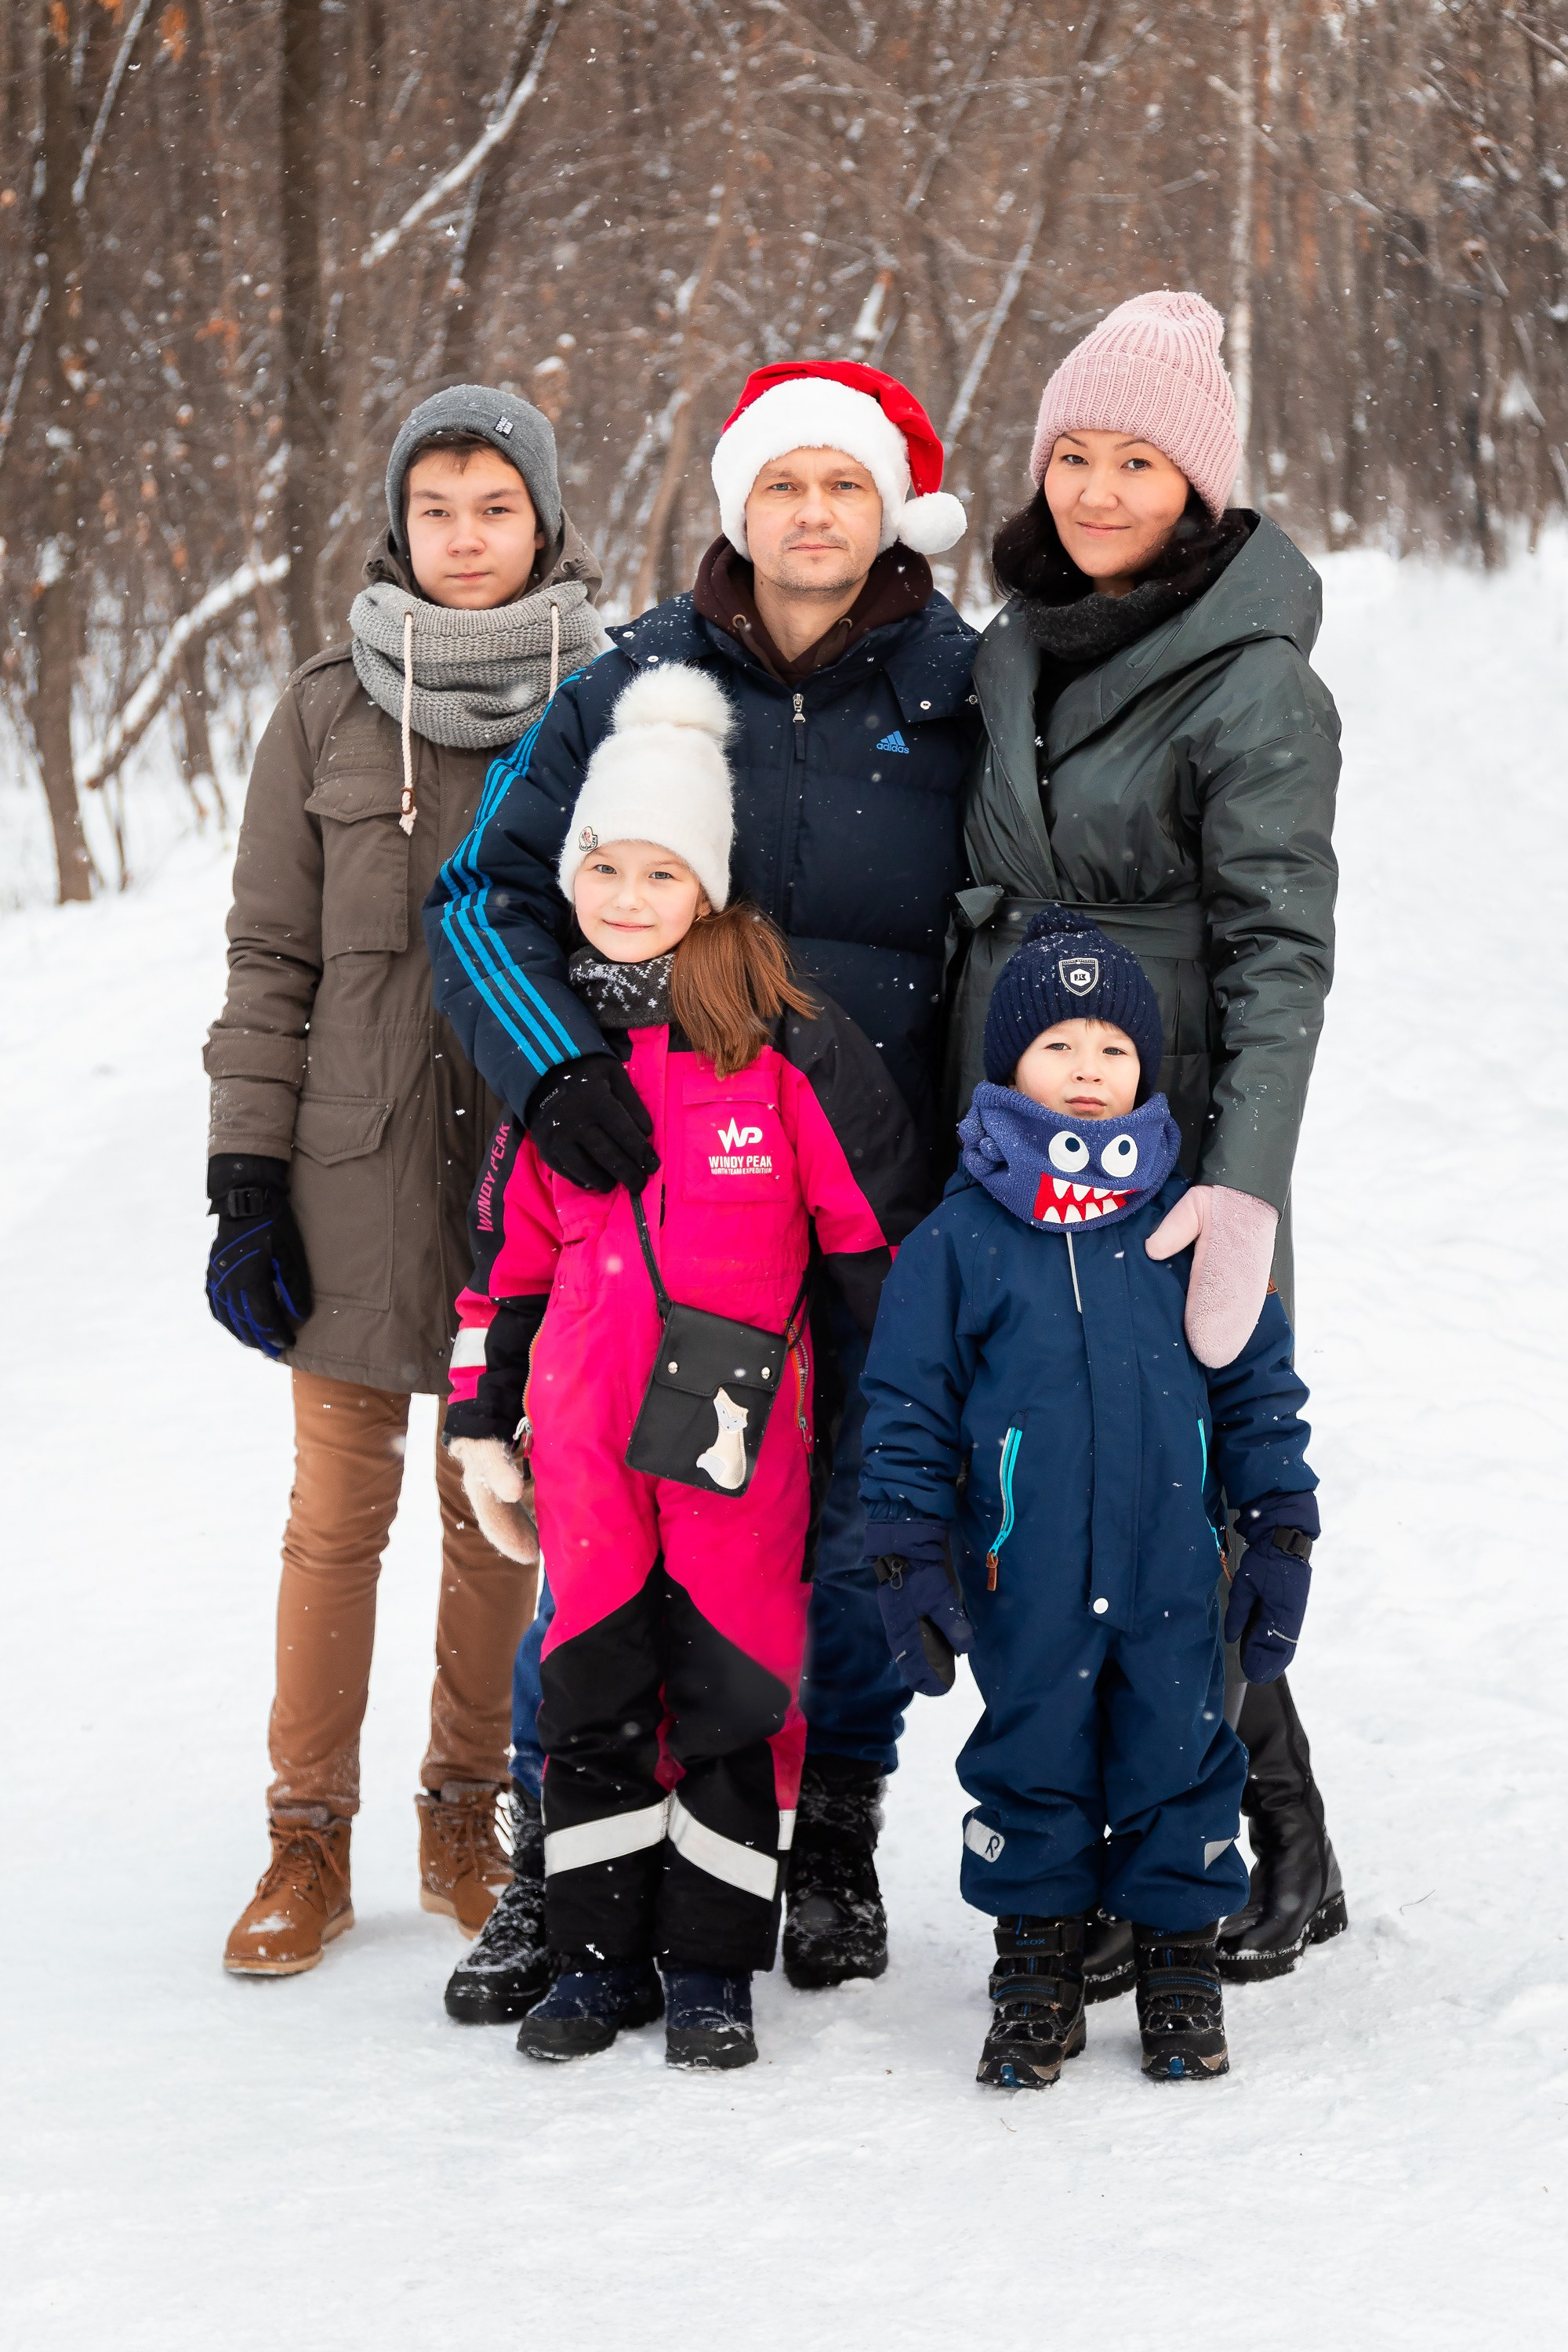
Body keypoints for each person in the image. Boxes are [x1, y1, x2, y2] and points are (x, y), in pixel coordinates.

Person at [424, 360, 978, 2019]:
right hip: (660, 1192)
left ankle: (830, 1834)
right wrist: (557, 1069)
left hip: (880, 1184)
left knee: (851, 1512)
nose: (812, 516)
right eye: (782, 485)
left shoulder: (965, 683)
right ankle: (561, 1853)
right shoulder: (632, 679)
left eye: (845, 485)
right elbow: (483, 895)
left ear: (890, 510)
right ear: (737, 504)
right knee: (611, 1519)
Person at [440, 665, 924, 2069]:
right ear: (574, 875)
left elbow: (864, 1257)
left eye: (662, 871)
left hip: (736, 1449)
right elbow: (503, 1270)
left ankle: (711, 1967)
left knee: (731, 1696)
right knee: (590, 1692)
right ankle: (596, 1963)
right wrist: (483, 1417)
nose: (630, 894)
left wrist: (873, 1439)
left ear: (707, 888)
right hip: (587, 1451)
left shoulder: (780, 1052)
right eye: (605, 866)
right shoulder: (557, 1069)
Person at [948, 292, 1345, 1994]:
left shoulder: (1255, 686)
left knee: (1183, 1499)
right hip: (1014, 1136)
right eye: (1075, 456)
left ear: (1201, 489)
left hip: (1165, 1137)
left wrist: (1241, 1181)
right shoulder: (1015, 640)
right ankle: (1122, 1849)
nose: (1101, 490)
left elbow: (1278, 949)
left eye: (1140, 462)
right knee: (1051, 1497)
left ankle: (1282, 1842)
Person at [205, 383, 607, 1976]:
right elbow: (270, 957)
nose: (463, 539)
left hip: (531, 1183)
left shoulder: (607, 696)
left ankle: (466, 1810)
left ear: (543, 524)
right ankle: (305, 1841)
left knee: (493, 1509)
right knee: (336, 1520)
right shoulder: (321, 709)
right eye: (435, 509)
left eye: (493, 509)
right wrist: (244, 1172)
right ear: (397, 521)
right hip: (349, 1172)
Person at [862, 909, 1319, 2087]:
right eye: (1058, 1045)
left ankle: (1178, 1957)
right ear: (1008, 1064)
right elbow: (907, 1406)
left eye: (1113, 1049)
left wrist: (1280, 1527)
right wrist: (908, 1546)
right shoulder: (959, 1243)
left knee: (1183, 1748)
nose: (1086, 1071)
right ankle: (1036, 1964)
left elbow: (1261, 1388)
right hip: (1028, 1568)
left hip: (1175, 1559)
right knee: (1033, 1756)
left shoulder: (1196, 1229)